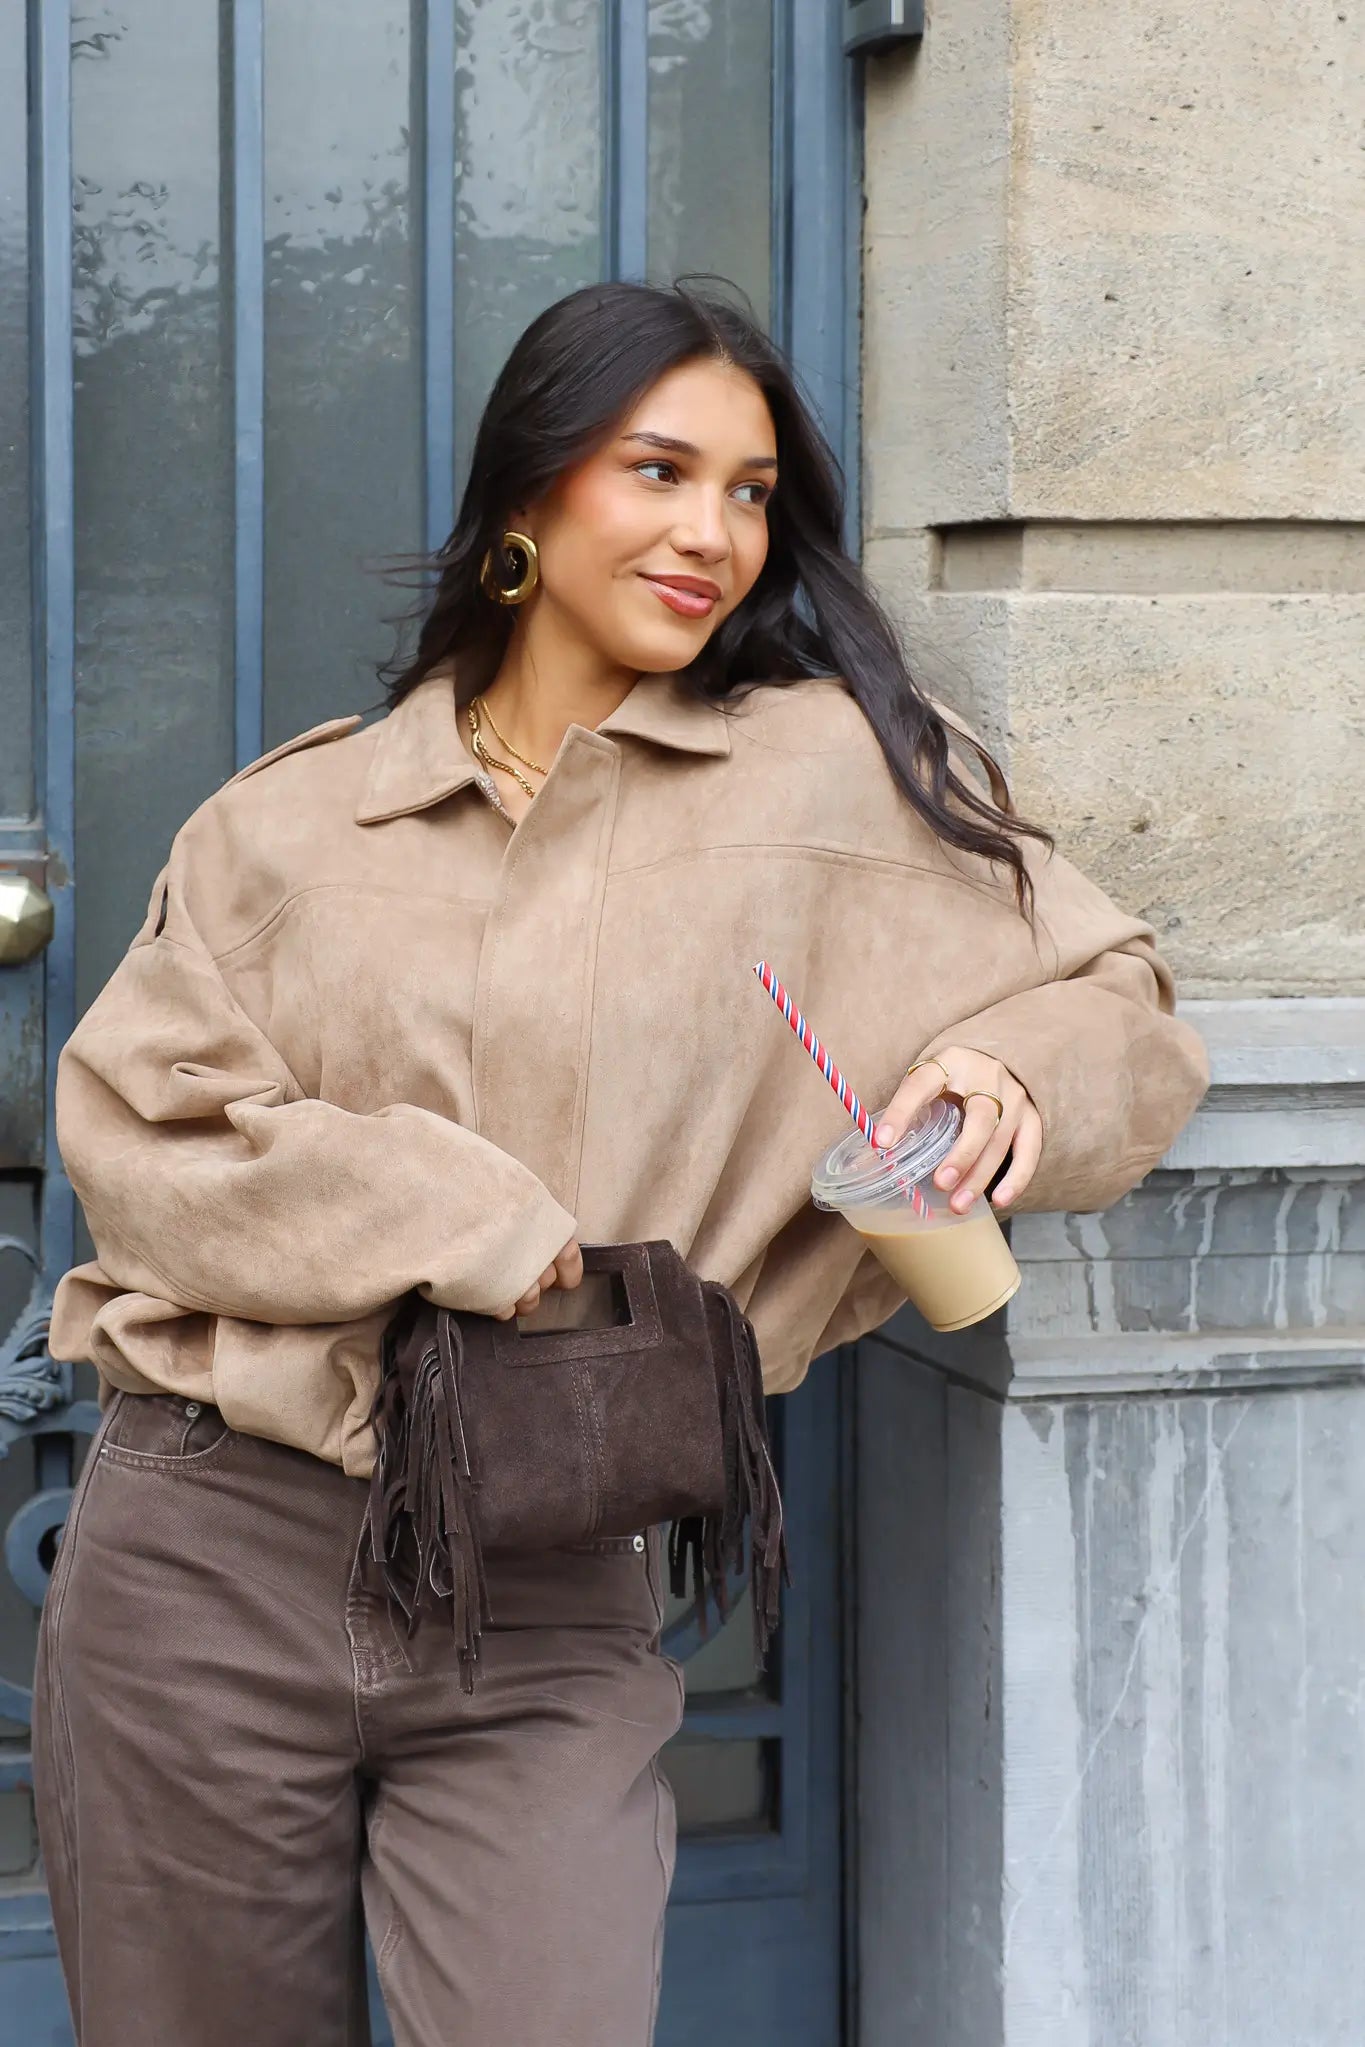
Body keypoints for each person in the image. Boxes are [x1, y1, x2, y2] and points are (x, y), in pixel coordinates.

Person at [33, 279, 1209, 2047]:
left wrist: (1009, 1060)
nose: (711, 534)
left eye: (748, 492)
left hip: (552, 1577)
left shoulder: (836, 783)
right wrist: (478, 1224)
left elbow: (1120, 1002)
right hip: (208, 1552)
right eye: (658, 470)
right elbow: (146, 1132)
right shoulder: (289, 822)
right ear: (529, 494)